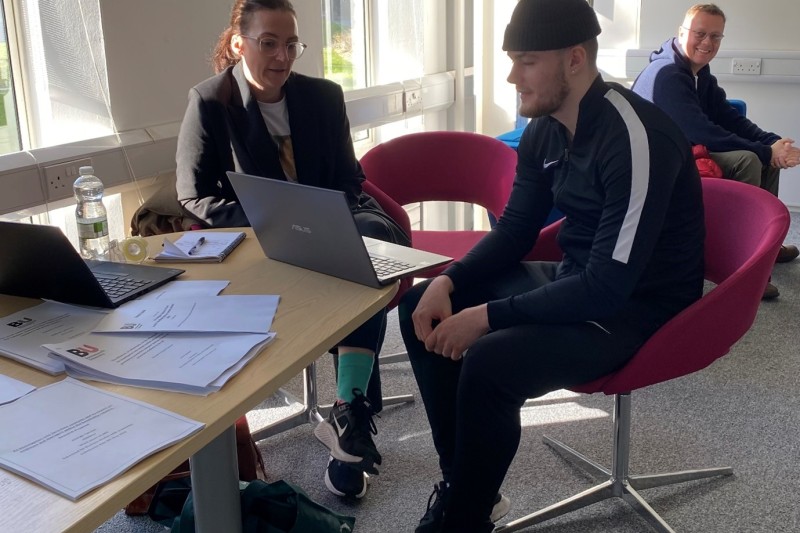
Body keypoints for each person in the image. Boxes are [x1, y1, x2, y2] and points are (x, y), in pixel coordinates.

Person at [398, 0, 706, 531]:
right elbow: (517, 230)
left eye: (527, 61)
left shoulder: (635, 137)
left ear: (575, 59)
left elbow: (608, 288)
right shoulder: (545, 125)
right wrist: (447, 280)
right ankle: (466, 490)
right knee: (416, 308)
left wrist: (489, 316)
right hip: (578, 279)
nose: (513, 76)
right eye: (512, 60)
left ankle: (463, 517)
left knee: (491, 360)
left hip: (639, 307)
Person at [175, 0, 410, 500]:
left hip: (335, 220)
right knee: (351, 271)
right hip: (261, 235)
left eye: (291, 44)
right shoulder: (210, 102)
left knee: (375, 246)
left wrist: (322, 220)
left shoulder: (323, 97)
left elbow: (350, 178)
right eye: (269, 43)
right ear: (240, 43)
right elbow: (194, 194)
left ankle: (348, 409)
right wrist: (270, 224)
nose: (283, 56)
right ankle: (354, 421)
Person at [631, 3, 800, 299]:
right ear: (681, 33)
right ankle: (741, 267)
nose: (707, 43)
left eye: (716, 36)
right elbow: (700, 131)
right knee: (748, 160)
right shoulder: (668, 73)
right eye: (700, 34)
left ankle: (763, 249)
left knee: (764, 159)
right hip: (658, 164)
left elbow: (728, 117)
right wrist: (763, 151)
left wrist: (773, 143)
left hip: (686, 152)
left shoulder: (699, 72)